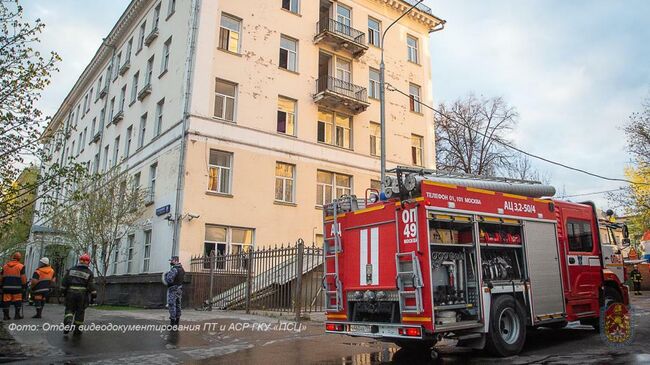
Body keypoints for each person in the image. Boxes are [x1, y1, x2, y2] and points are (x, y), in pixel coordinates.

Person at [61, 253, 96, 335]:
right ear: (88, 262)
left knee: (69, 309)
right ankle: (77, 330)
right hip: (82, 295)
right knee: (80, 312)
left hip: (70, 293)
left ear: (79, 261)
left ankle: (68, 322)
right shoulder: (89, 273)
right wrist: (93, 296)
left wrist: (63, 292)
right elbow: (91, 286)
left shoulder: (71, 270)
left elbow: (64, 282)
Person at [1, 252, 27, 320]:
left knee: (6, 301)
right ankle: (17, 315)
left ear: (13, 258)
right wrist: (24, 286)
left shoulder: (5, 266)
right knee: (17, 300)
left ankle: (6, 316)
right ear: (19, 258)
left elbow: (1, 277)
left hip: (6, 287)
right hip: (17, 288)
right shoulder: (21, 266)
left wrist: (1, 285)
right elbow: (23, 278)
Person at [164, 256, 185, 327]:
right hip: (179, 288)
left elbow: (169, 279)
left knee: (171, 304)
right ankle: (177, 321)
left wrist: (166, 276)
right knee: (178, 304)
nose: (171, 262)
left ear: (176, 261)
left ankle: (172, 323)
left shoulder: (174, 269)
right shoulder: (182, 269)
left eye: (172, 261)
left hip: (173, 288)